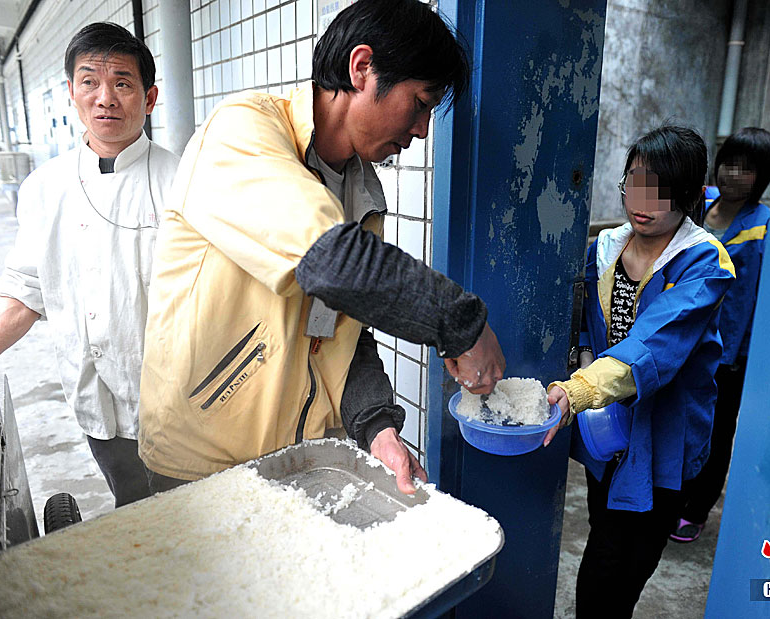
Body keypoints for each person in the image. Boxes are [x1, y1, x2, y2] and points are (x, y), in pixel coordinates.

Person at [138, 0, 505, 495]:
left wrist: (377, 427)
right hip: (203, 463)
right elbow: (333, 264)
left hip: (294, 461)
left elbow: (339, 329)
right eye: (420, 103)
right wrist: (462, 326)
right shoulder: (241, 131)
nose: (422, 130)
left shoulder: (360, 192)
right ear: (362, 68)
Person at [0, 22, 180, 507]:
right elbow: (24, 292)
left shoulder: (181, 180)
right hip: (95, 400)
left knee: (186, 511)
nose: (105, 98)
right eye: (90, 81)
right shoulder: (43, 188)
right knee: (130, 504)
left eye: (122, 83)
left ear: (149, 98)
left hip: (176, 401)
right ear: (71, 92)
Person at [544, 126, 735, 618]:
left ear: (690, 195)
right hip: (608, 431)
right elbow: (586, 324)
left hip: (664, 436)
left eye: (662, 189)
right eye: (636, 183)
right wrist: (585, 360)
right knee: (605, 531)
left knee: (620, 565)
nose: (644, 202)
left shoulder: (703, 262)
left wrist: (578, 391)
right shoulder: (604, 249)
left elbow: (653, 345)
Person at [670, 127, 770, 543]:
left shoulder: (765, 225)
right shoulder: (700, 202)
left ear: (763, 176)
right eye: (729, 163)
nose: (733, 174)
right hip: (681, 337)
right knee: (677, 420)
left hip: (729, 350)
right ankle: (670, 496)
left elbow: (754, 298)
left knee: (716, 430)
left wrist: (735, 354)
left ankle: (696, 509)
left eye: (746, 169)